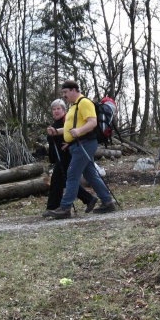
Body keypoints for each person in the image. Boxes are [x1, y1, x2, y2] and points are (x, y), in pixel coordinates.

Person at [49, 80, 116, 219]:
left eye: (66, 92)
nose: (64, 95)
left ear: (74, 90)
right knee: (91, 174)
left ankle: (65, 208)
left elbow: (92, 122)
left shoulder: (84, 102)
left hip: (84, 143)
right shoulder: (74, 106)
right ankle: (108, 201)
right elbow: (69, 128)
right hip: (78, 145)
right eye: (63, 93)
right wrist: (57, 131)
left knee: (72, 174)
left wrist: (79, 131)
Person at [42, 99, 97, 217]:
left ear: (63, 110)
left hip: (68, 155)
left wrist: (70, 144)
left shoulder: (67, 120)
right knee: (62, 180)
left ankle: (54, 207)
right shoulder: (55, 123)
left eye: (58, 109)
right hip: (60, 157)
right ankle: (87, 199)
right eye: (54, 109)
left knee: (61, 179)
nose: (56, 111)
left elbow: (74, 134)